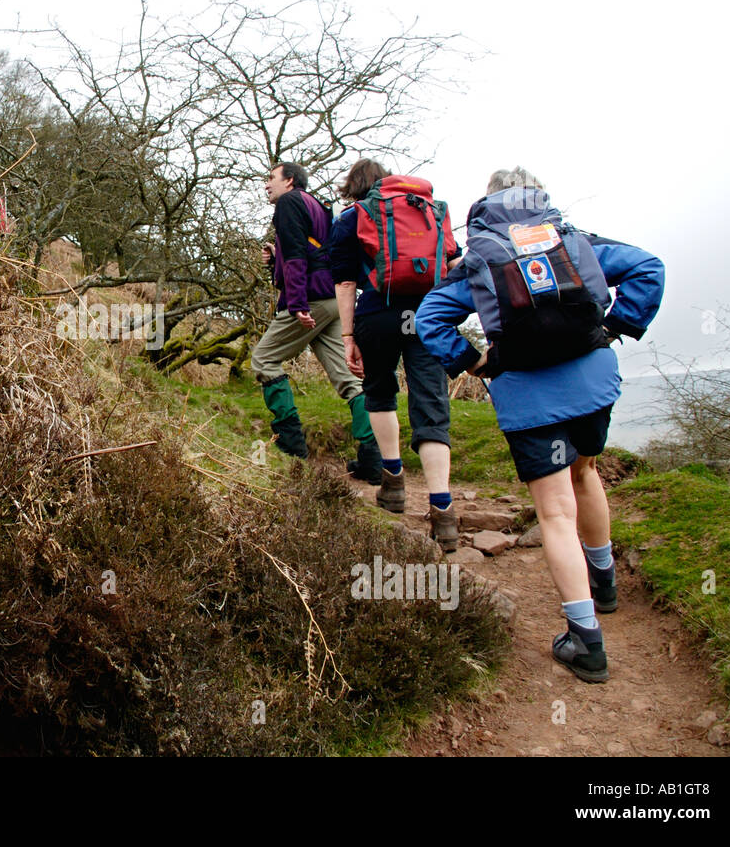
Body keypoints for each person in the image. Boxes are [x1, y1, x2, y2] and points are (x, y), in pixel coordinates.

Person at [415, 167, 665, 683]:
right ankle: (606, 583)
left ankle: (586, 641)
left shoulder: (482, 257)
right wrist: (615, 328)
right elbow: (648, 267)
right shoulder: (573, 241)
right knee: (587, 472)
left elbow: (429, 318)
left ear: (489, 203)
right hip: (593, 383)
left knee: (553, 513)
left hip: (528, 394)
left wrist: (472, 361)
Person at [329, 159, 462, 550]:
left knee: (380, 391)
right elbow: (454, 265)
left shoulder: (352, 217)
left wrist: (349, 335)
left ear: (356, 186)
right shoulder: (431, 211)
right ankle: (443, 511)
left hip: (377, 314)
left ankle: (394, 483)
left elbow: (346, 282)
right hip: (428, 316)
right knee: (431, 404)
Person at [250, 161, 380, 476]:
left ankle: (291, 445)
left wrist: (295, 303)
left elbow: (296, 256)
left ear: (290, 180)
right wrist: (275, 258)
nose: (267, 184)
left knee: (264, 360)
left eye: (271, 178)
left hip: (311, 300)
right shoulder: (318, 207)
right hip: (334, 299)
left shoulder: (290, 202)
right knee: (349, 378)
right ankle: (373, 459)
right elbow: (313, 253)